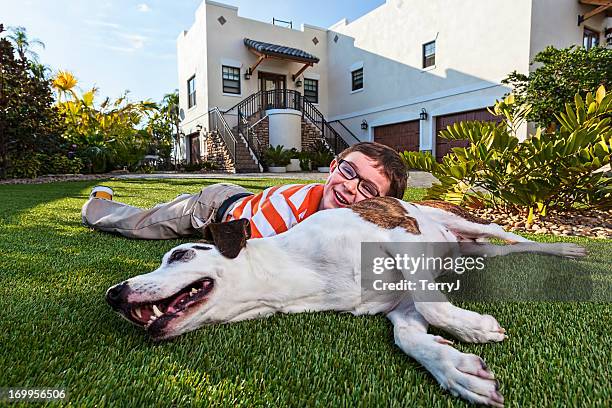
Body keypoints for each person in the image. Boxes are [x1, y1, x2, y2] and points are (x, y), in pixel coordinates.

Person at [81, 142, 407, 240]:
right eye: (349, 171)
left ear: (383, 205)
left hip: (242, 198)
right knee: (141, 225)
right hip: (214, 209)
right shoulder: (289, 210)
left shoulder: (367, 228)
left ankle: (177, 203)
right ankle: (98, 204)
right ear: (334, 167)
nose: (350, 187)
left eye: (367, 188)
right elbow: (238, 252)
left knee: (169, 208)